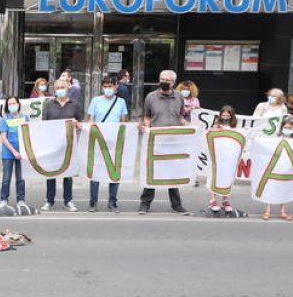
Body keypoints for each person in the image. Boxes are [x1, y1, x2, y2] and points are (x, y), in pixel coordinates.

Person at [138, 69, 188, 214]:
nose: (164, 82)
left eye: (167, 80)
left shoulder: (179, 97)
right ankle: (145, 203)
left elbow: (181, 117)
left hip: (173, 141)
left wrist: (190, 126)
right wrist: (147, 128)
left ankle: (176, 205)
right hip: (156, 140)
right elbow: (147, 116)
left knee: (173, 172)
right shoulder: (151, 97)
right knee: (152, 171)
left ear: (173, 83)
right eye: (162, 79)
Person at [86, 77, 129, 212]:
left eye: (110, 86)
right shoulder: (95, 101)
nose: (108, 89)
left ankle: (112, 202)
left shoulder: (121, 102)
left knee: (114, 173)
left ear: (116, 87)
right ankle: (93, 202)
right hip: (99, 141)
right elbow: (91, 120)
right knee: (95, 172)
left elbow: (124, 122)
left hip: (115, 141)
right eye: (105, 86)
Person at [40, 77, 83, 212]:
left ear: (67, 88)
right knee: (51, 173)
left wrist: (77, 124)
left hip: (68, 144)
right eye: (57, 88)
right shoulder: (48, 105)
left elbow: (81, 123)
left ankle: (68, 201)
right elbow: (44, 124)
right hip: (52, 144)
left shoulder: (74, 104)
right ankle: (49, 200)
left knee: (68, 174)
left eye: (62, 88)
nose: (60, 90)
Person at [0, 96, 29, 211]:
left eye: (14, 103)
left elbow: (28, 135)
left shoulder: (25, 118)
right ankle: (4, 199)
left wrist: (25, 151)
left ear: (18, 104)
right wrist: (14, 151)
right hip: (8, 153)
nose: (12, 105)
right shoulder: (4, 119)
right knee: (6, 178)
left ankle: (21, 200)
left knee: (20, 177)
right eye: (10, 104)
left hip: (22, 153)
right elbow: (4, 138)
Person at [206, 106, 239, 214]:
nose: (225, 117)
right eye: (223, 115)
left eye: (227, 115)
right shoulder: (216, 126)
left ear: (231, 116)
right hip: (217, 157)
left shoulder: (234, 127)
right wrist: (213, 130)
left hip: (228, 158)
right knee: (215, 177)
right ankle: (212, 200)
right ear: (220, 115)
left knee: (227, 177)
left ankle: (225, 200)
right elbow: (209, 136)